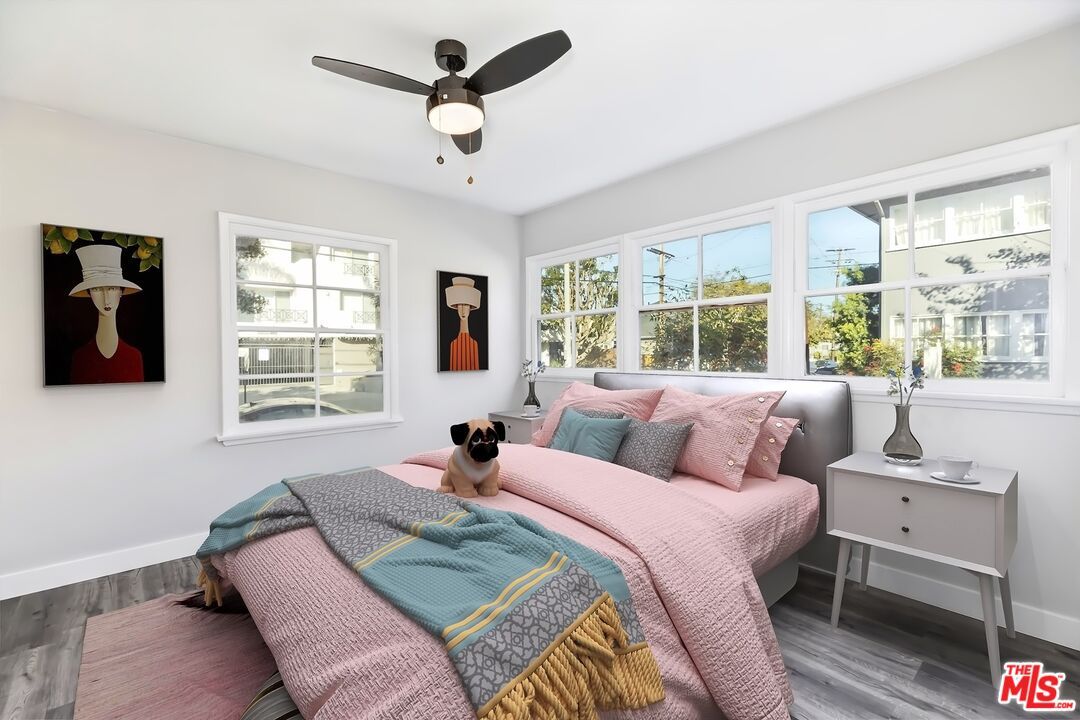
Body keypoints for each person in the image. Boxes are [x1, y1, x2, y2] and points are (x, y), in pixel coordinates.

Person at [68, 245, 145, 383]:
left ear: (121, 292)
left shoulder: (134, 357)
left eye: (112, 288)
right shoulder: (80, 359)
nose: (106, 298)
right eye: (97, 289)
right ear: (89, 293)